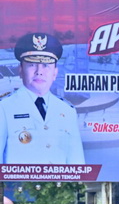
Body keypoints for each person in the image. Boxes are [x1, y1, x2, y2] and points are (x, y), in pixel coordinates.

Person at [0, 32, 84, 164]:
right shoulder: (4, 108)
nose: (39, 71)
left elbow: (77, 162)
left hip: (60, 184)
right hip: (18, 184)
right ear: (20, 70)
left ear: (55, 73)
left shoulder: (67, 111)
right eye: (32, 65)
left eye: (46, 65)